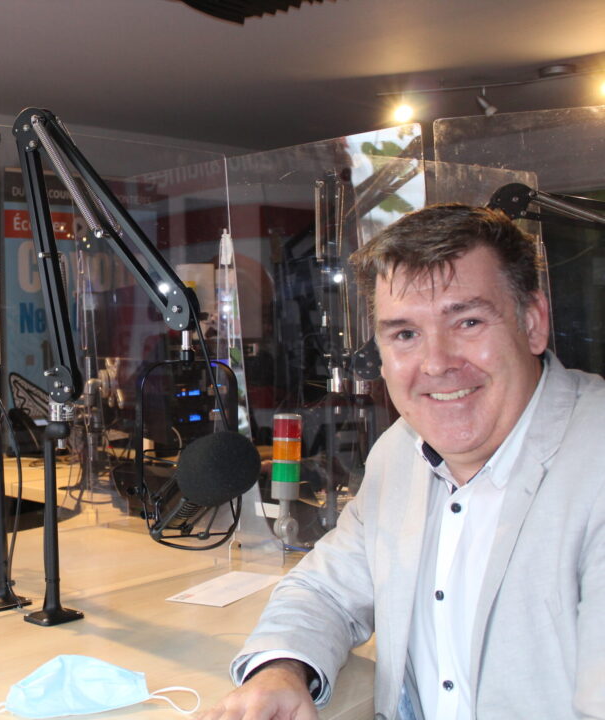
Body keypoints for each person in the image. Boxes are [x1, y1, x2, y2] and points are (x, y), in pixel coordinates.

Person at [199, 204, 605, 720]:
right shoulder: (401, 450)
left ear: (533, 323)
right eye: (405, 334)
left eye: (469, 321)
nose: (436, 363)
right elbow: (325, 589)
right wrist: (281, 668)